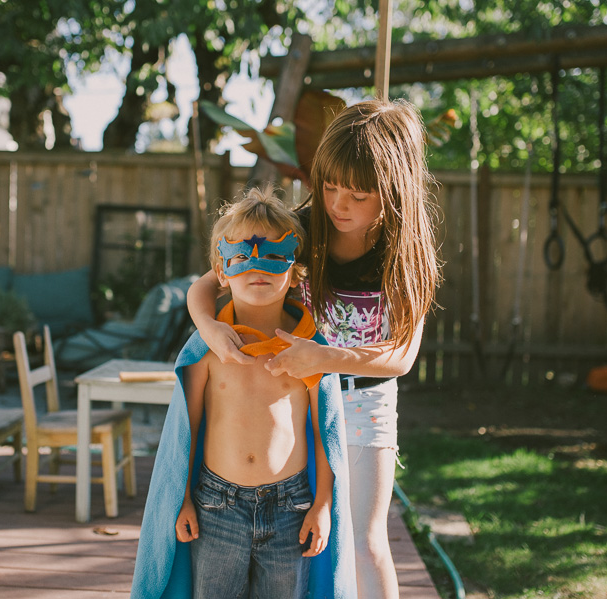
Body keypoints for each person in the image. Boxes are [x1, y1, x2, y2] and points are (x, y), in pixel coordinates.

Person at [187, 99, 440, 599]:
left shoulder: (405, 252)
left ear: (393, 194)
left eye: (358, 195)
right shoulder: (301, 230)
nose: (339, 204)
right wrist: (209, 330)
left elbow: (403, 355)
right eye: (329, 187)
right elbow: (205, 287)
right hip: (296, 405)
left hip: (366, 406)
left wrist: (324, 357)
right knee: (302, 539)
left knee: (365, 542)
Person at [130, 187, 356, 599]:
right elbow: (186, 435)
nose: (258, 268)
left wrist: (324, 503)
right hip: (217, 508)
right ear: (222, 270)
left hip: (292, 509)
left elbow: (325, 434)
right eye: (241, 257)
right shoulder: (207, 352)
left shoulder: (307, 350)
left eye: (274, 256)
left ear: (294, 269)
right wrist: (181, 499)